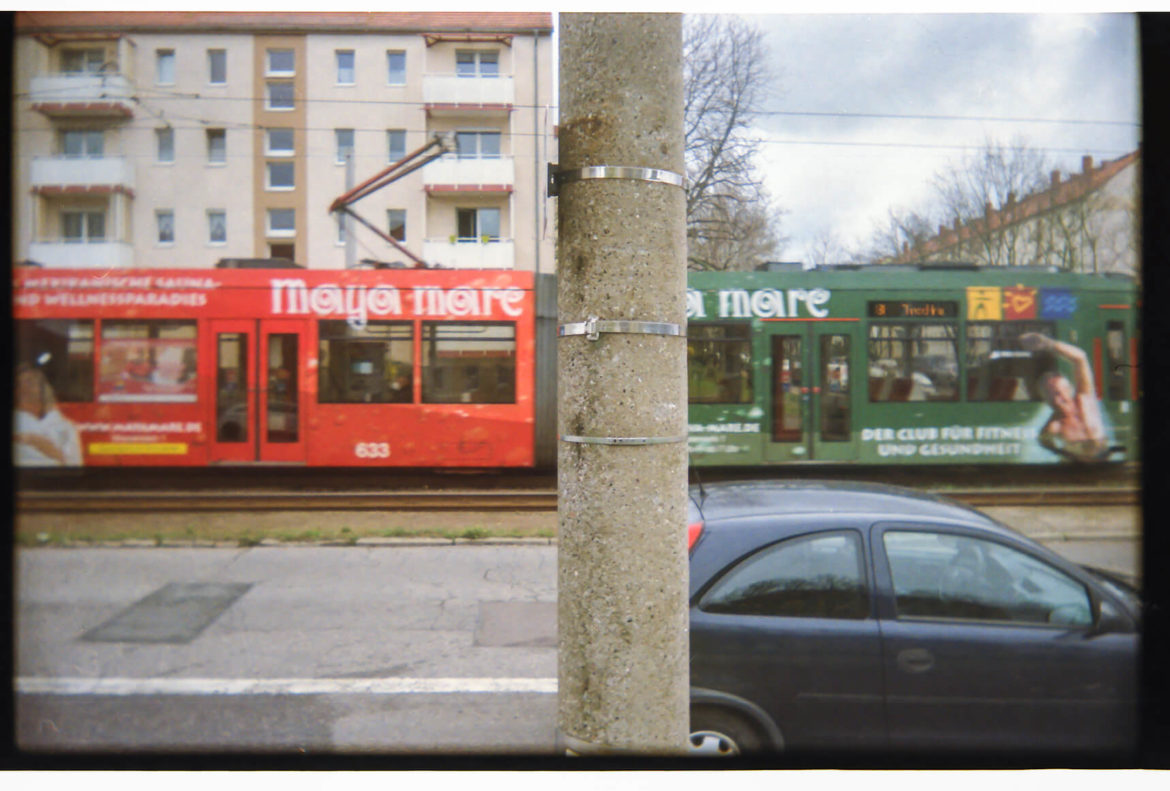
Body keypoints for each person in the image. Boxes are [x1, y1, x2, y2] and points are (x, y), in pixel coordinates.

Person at [1020, 332, 1108, 462]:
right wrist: (1066, 456)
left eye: (1061, 392)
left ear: (1069, 390)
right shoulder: (1054, 425)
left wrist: (1048, 343)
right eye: (1052, 395)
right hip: (1077, 467)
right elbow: (1043, 442)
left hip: (1104, 461)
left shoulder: (1085, 399)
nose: (1059, 399)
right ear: (1047, 401)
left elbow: (1080, 358)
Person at [14, 362, 83, 467]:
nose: (24, 388)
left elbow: (74, 464)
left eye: (30, 382)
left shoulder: (65, 426)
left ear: (43, 389)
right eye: (19, 384)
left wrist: (41, 444)